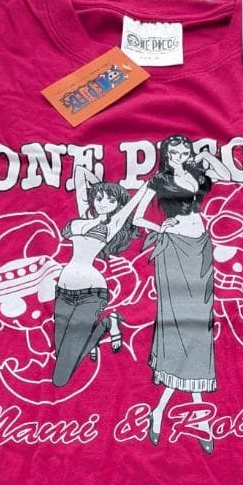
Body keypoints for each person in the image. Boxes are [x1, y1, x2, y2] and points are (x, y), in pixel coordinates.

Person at [132, 134, 233, 452]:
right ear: (166, 154)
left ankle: (160, 411)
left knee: (199, 328)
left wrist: (204, 156)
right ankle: (200, 421)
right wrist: (159, 227)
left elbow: (226, 174)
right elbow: (137, 216)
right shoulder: (159, 180)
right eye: (173, 151)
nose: (179, 155)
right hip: (174, 251)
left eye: (184, 150)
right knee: (179, 328)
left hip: (200, 250)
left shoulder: (198, 173)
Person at [52, 164, 149, 388]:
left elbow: (135, 200)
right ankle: (105, 325)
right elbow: (79, 172)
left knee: (60, 378)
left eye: (110, 200)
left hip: (92, 293)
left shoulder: (113, 225)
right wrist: (100, 185)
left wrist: (147, 186)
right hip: (63, 291)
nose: (103, 202)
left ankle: (105, 324)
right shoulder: (84, 215)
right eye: (99, 198)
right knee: (61, 351)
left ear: (118, 206)